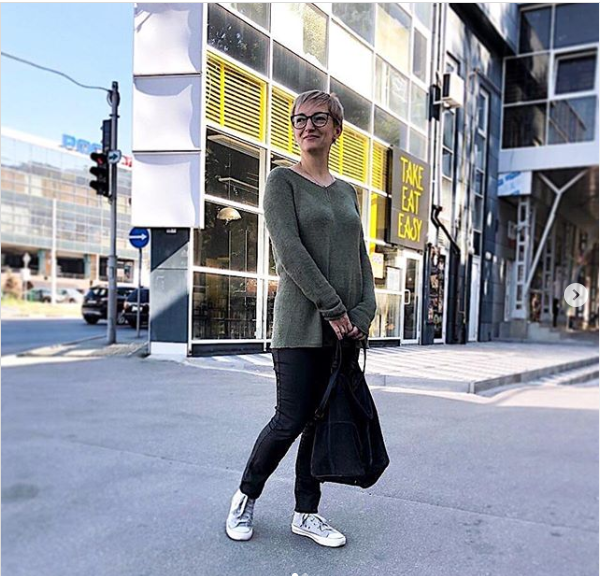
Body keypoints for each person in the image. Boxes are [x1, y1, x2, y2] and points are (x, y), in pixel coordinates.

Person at [225, 90, 377, 548]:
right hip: (299, 326)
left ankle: (306, 513)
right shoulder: (281, 182)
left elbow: (360, 257)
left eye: (319, 118)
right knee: (290, 420)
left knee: (319, 423)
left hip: (343, 332)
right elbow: (289, 253)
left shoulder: (348, 191)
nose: (308, 126)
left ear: (336, 129)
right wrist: (334, 308)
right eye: (299, 119)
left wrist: (363, 312)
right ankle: (245, 497)